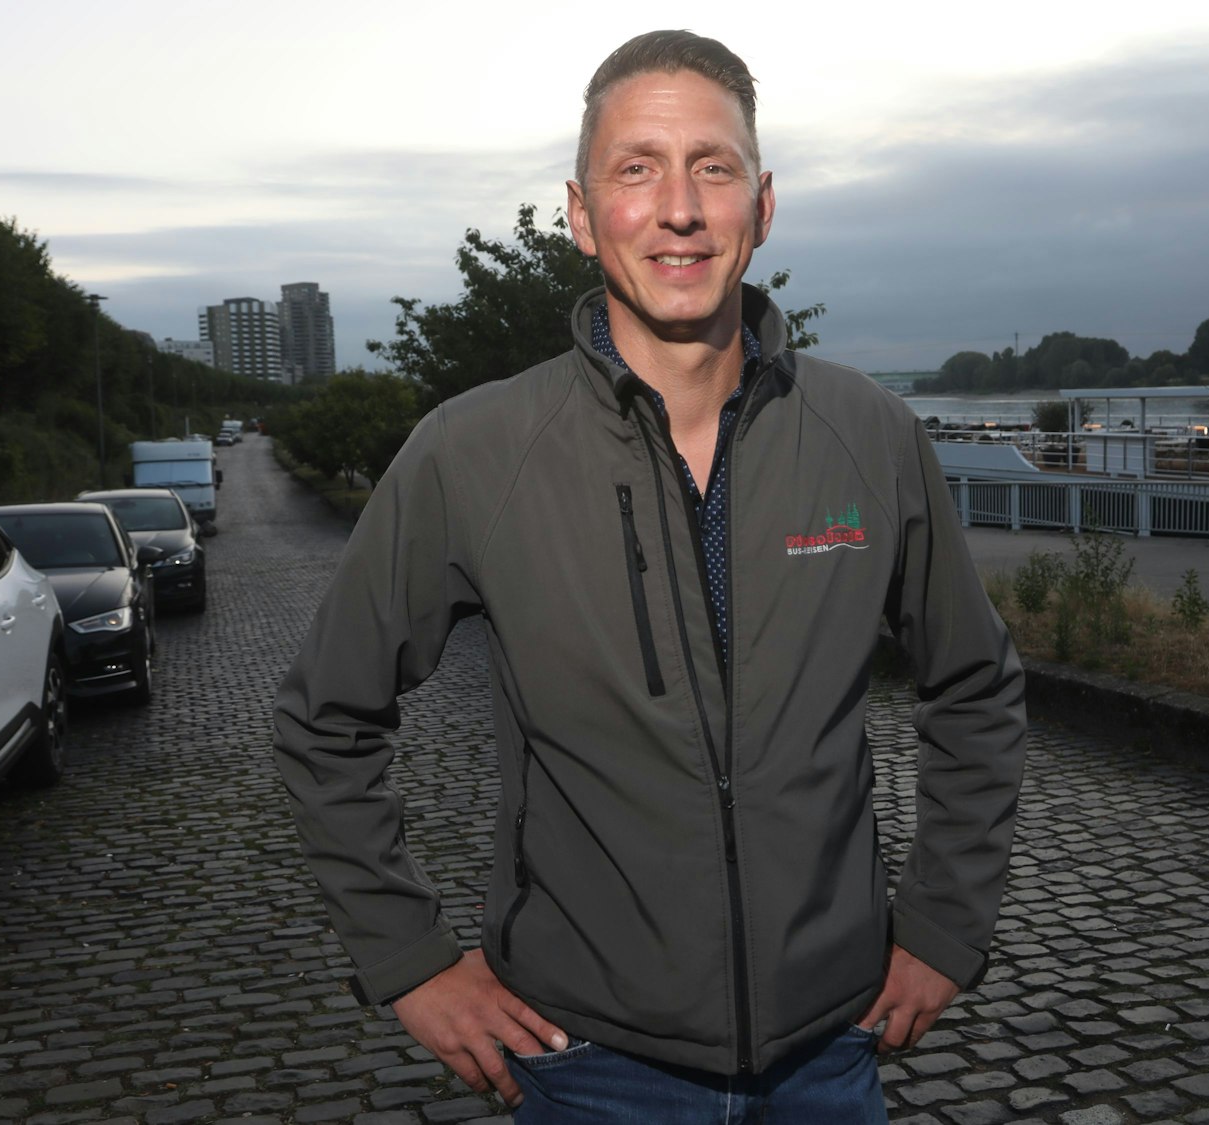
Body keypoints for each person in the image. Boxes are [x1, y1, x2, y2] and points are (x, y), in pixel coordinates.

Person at [273, 29, 1026, 1121]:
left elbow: (975, 686)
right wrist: (409, 960)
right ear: (581, 215)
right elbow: (323, 716)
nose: (678, 208)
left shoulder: (869, 434)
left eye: (711, 168)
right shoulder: (473, 451)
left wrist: (947, 926)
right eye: (636, 169)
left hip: (829, 1057)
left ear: (759, 208)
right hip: (590, 1067)